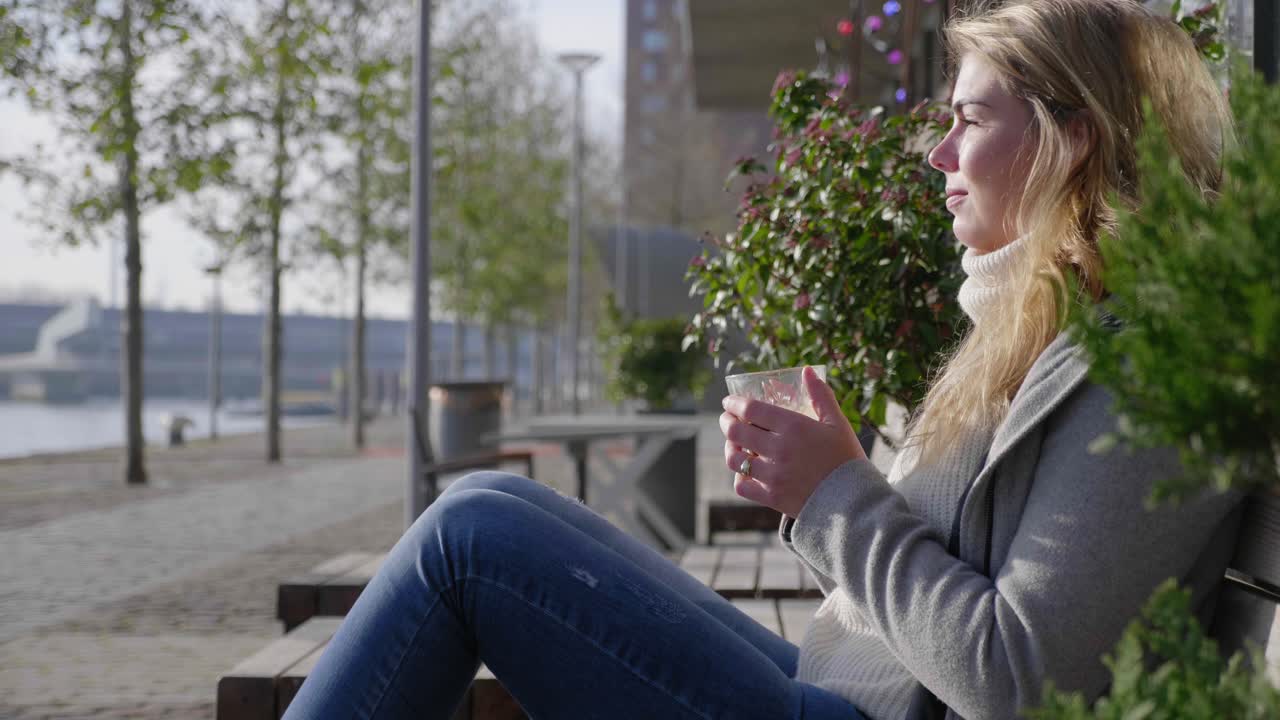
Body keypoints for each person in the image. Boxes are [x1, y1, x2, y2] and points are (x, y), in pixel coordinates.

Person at [282, 1, 1244, 718]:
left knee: (472, 546)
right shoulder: (1045, 332)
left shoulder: (1143, 370)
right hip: (838, 685)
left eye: (970, 120)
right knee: (485, 504)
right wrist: (836, 478)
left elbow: (1024, 679)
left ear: (1068, 142)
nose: (936, 154)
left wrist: (835, 495)